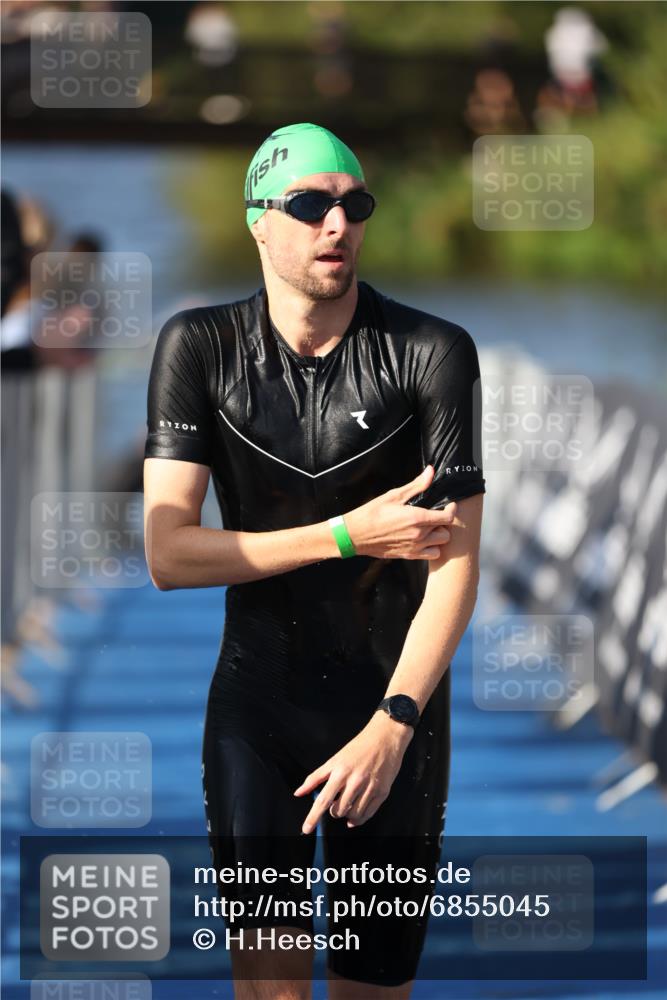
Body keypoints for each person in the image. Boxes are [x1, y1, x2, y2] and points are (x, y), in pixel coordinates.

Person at [143, 122, 485, 1000]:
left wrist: (394, 721)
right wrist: (344, 535)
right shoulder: (199, 348)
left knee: (372, 991)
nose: (337, 224)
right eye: (308, 205)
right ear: (259, 219)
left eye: (353, 204)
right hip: (258, 709)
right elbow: (169, 553)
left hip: (393, 711)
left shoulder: (430, 354)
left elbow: (455, 566)